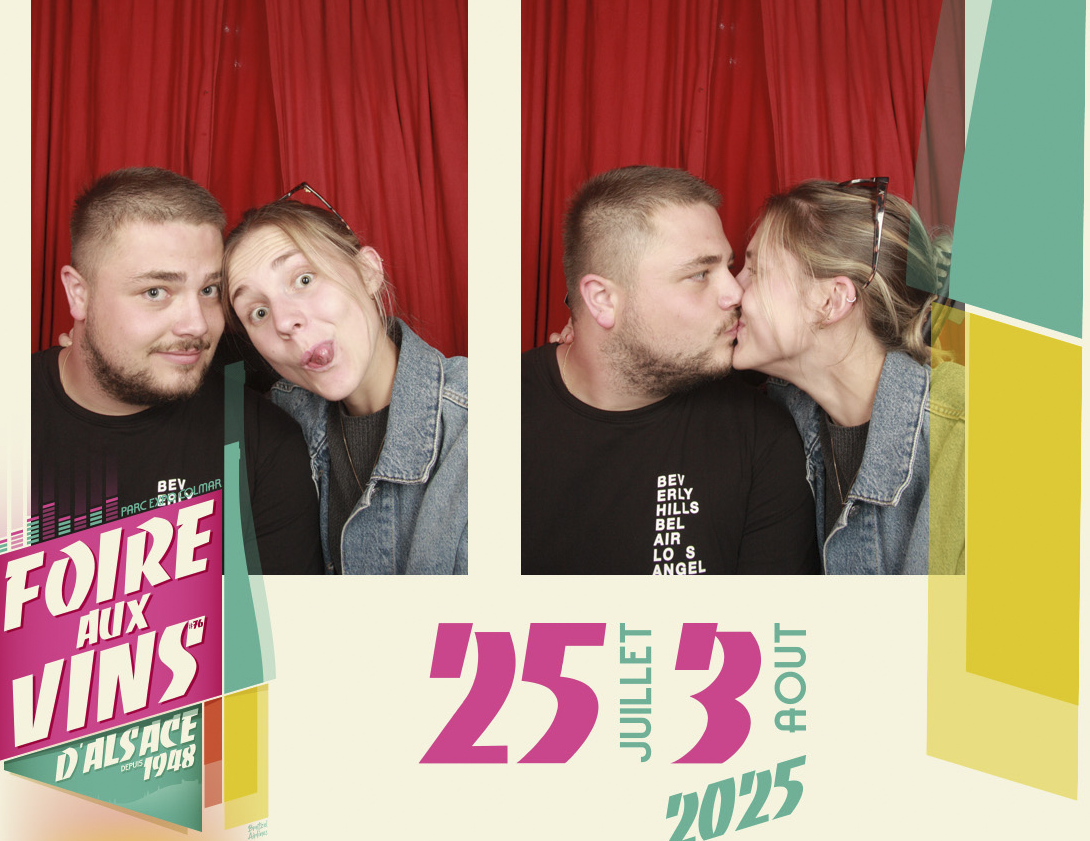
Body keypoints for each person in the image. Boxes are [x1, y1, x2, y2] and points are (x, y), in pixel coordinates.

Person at [522, 166, 818, 576]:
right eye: (699, 274)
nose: (736, 292)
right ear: (602, 300)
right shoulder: (483, 422)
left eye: (729, 266)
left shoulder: (762, 437)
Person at [33, 168, 324, 575]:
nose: (198, 325)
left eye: (209, 290)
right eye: (156, 292)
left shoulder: (263, 445)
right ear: (79, 294)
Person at [223, 187, 467, 574]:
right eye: (258, 312)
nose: (284, 321)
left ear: (368, 272)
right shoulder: (275, 421)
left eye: (304, 279)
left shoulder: (481, 425)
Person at [733, 179, 965, 574]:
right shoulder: (778, 416)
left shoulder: (974, 438)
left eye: (755, 270)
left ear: (831, 300)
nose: (732, 289)